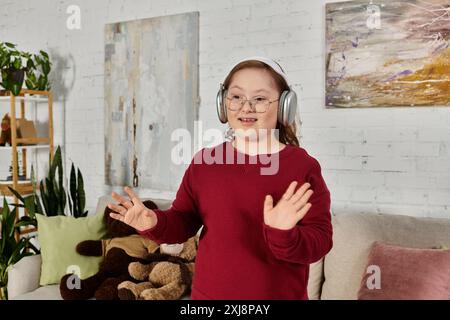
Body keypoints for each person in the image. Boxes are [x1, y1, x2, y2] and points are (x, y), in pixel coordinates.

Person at [108, 56, 333, 300]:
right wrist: (153, 222)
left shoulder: (302, 167)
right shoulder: (205, 163)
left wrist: (283, 234)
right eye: (236, 97)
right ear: (223, 103)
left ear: (284, 106)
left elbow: (320, 242)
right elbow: (183, 222)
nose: (246, 108)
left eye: (259, 99)